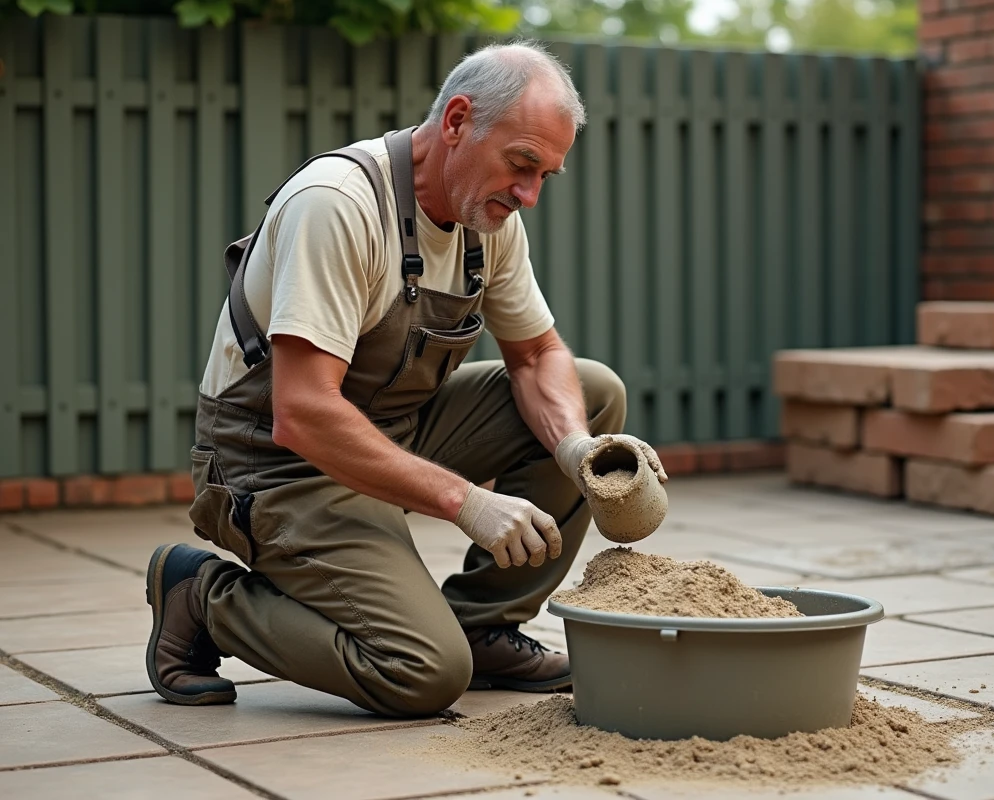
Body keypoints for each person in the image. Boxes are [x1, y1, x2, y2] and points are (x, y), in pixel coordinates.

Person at [144, 40, 668, 718]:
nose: (530, 194)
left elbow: (538, 355)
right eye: (522, 164)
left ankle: (485, 625)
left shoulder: (487, 219)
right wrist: (466, 502)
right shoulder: (338, 205)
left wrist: (575, 449)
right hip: (275, 468)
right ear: (456, 121)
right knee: (421, 671)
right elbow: (300, 412)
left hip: (393, 429)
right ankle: (204, 599)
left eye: (546, 175)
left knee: (592, 394)